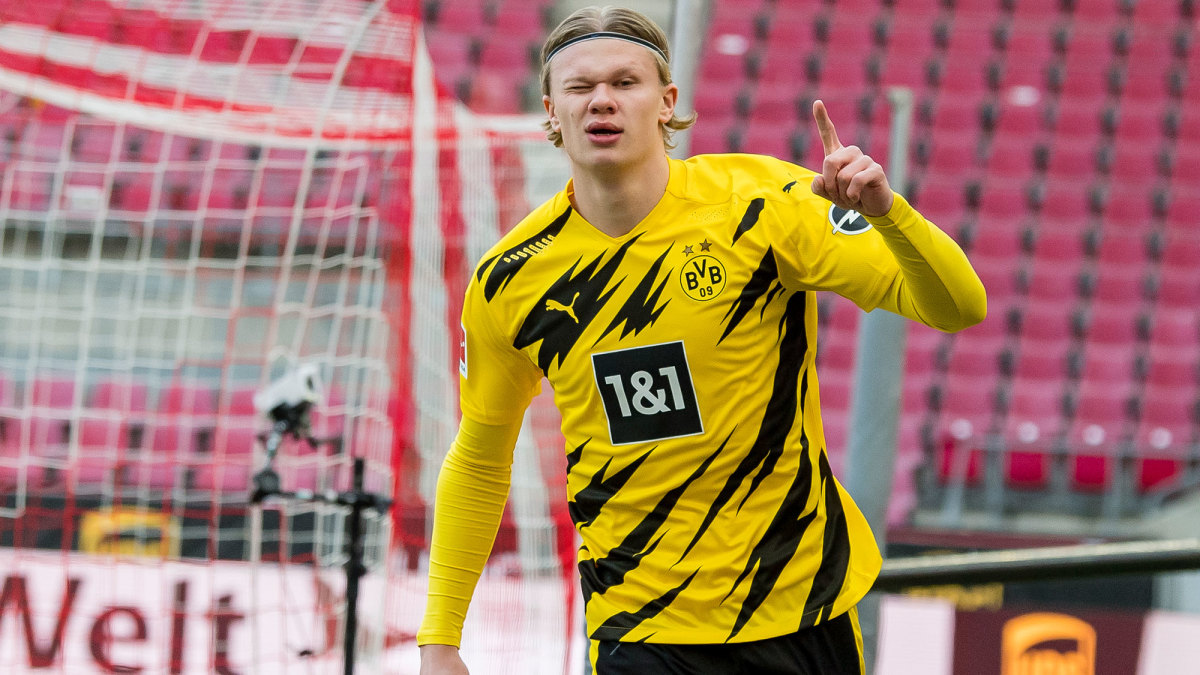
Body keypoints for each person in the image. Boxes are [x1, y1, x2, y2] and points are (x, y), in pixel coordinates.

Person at [418, 5, 986, 674]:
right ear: (551, 110)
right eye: (580, 87)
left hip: (799, 609)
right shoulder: (510, 278)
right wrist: (440, 637)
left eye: (624, 82)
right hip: (639, 628)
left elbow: (958, 307)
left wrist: (891, 215)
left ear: (666, 102)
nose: (601, 100)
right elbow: (480, 457)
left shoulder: (763, 205)